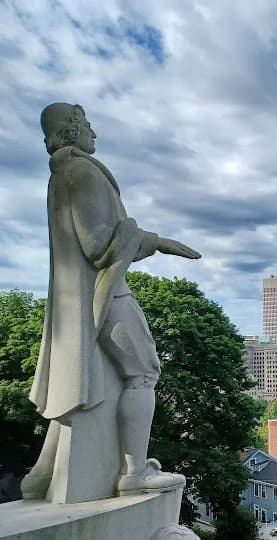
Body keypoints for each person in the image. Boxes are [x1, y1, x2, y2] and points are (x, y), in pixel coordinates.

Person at [21, 103, 201, 499]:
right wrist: (153, 240)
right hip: (104, 293)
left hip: (78, 300)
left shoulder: (62, 176)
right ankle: (134, 471)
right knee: (144, 371)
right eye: (86, 125)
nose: (94, 134)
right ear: (70, 130)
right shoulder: (81, 172)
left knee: (78, 384)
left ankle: (42, 475)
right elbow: (99, 243)